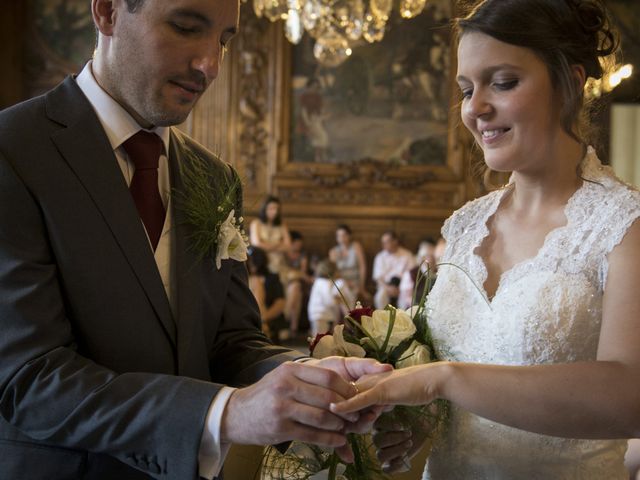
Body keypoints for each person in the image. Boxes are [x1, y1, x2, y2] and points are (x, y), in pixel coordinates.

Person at [0, 1, 390, 479]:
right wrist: (226, 412)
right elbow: (30, 379)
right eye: (186, 27)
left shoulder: (215, 176)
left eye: (224, 41)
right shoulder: (13, 151)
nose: (210, 65)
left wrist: (310, 381)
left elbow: (232, 341)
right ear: (106, 12)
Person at [332, 1, 640, 478]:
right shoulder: (463, 226)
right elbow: (456, 400)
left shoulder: (624, 224)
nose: (475, 108)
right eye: (466, 89)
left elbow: (629, 395)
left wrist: (444, 380)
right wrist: (413, 426)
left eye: (503, 82)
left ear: (570, 83)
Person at [247, 246, 287, 343]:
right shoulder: (244, 278)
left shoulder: (272, 278)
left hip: (269, 318)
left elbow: (280, 303)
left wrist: (263, 318)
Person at [307, 260, 353, 337]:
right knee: (320, 340)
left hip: (319, 314)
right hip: (320, 314)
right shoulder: (325, 283)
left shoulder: (319, 282)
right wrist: (338, 300)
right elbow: (329, 301)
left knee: (320, 338)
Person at [249, 195, 291, 279]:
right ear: (264, 209)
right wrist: (278, 244)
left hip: (279, 262)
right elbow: (256, 244)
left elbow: (288, 246)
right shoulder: (256, 224)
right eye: (271, 208)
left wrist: (265, 245)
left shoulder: (282, 225)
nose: (274, 212)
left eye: (277, 209)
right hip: (261, 263)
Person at [372, 231, 416, 309]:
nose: (384, 245)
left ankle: (403, 320)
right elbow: (378, 278)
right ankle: (383, 320)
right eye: (383, 243)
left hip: (403, 286)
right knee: (379, 298)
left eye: (387, 242)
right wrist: (388, 288)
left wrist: (400, 288)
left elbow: (412, 274)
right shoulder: (380, 257)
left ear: (395, 241)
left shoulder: (407, 255)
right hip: (386, 286)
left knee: (408, 300)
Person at [328, 224, 369, 304]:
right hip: (340, 281)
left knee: (344, 292)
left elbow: (362, 267)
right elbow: (332, 272)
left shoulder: (356, 246)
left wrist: (361, 286)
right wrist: (346, 282)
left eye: (344, 235)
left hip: (355, 281)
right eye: (339, 236)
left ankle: (347, 312)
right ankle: (348, 312)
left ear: (349, 236)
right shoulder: (333, 251)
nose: (341, 238)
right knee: (340, 287)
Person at [283, 230, 312, 338]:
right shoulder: (284, 253)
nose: (298, 247)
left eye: (300, 244)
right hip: (285, 281)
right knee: (296, 291)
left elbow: (303, 273)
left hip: (297, 283)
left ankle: (289, 325)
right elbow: (284, 271)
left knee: (296, 288)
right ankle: (292, 327)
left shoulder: (302, 255)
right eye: (296, 244)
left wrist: (297, 275)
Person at [398, 237, 437, 309]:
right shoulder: (411, 274)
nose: (432, 259)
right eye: (429, 256)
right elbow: (405, 298)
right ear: (423, 257)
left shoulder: (439, 273)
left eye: (434, 256)